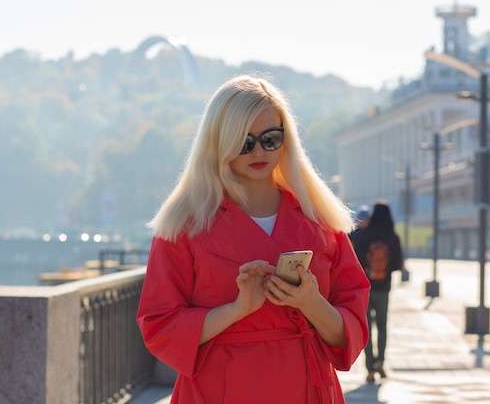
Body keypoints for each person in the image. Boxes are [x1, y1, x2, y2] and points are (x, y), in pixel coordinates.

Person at [136, 74, 370, 404]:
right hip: (220, 389)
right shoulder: (183, 224)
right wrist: (237, 309)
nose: (258, 151)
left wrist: (311, 303)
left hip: (307, 385)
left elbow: (351, 329)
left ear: (286, 140)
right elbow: (160, 325)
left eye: (270, 139)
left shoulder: (321, 219)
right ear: (219, 141)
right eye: (244, 142)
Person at [349, 201, 403, 383]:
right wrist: (383, 271)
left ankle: (370, 367)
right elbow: (397, 265)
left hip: (365, 288)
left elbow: (352, 258)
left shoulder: (363, 235)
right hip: (384, 287)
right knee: (382, 325)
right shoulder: (393, 237)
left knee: (367, 326)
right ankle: (381, 361)